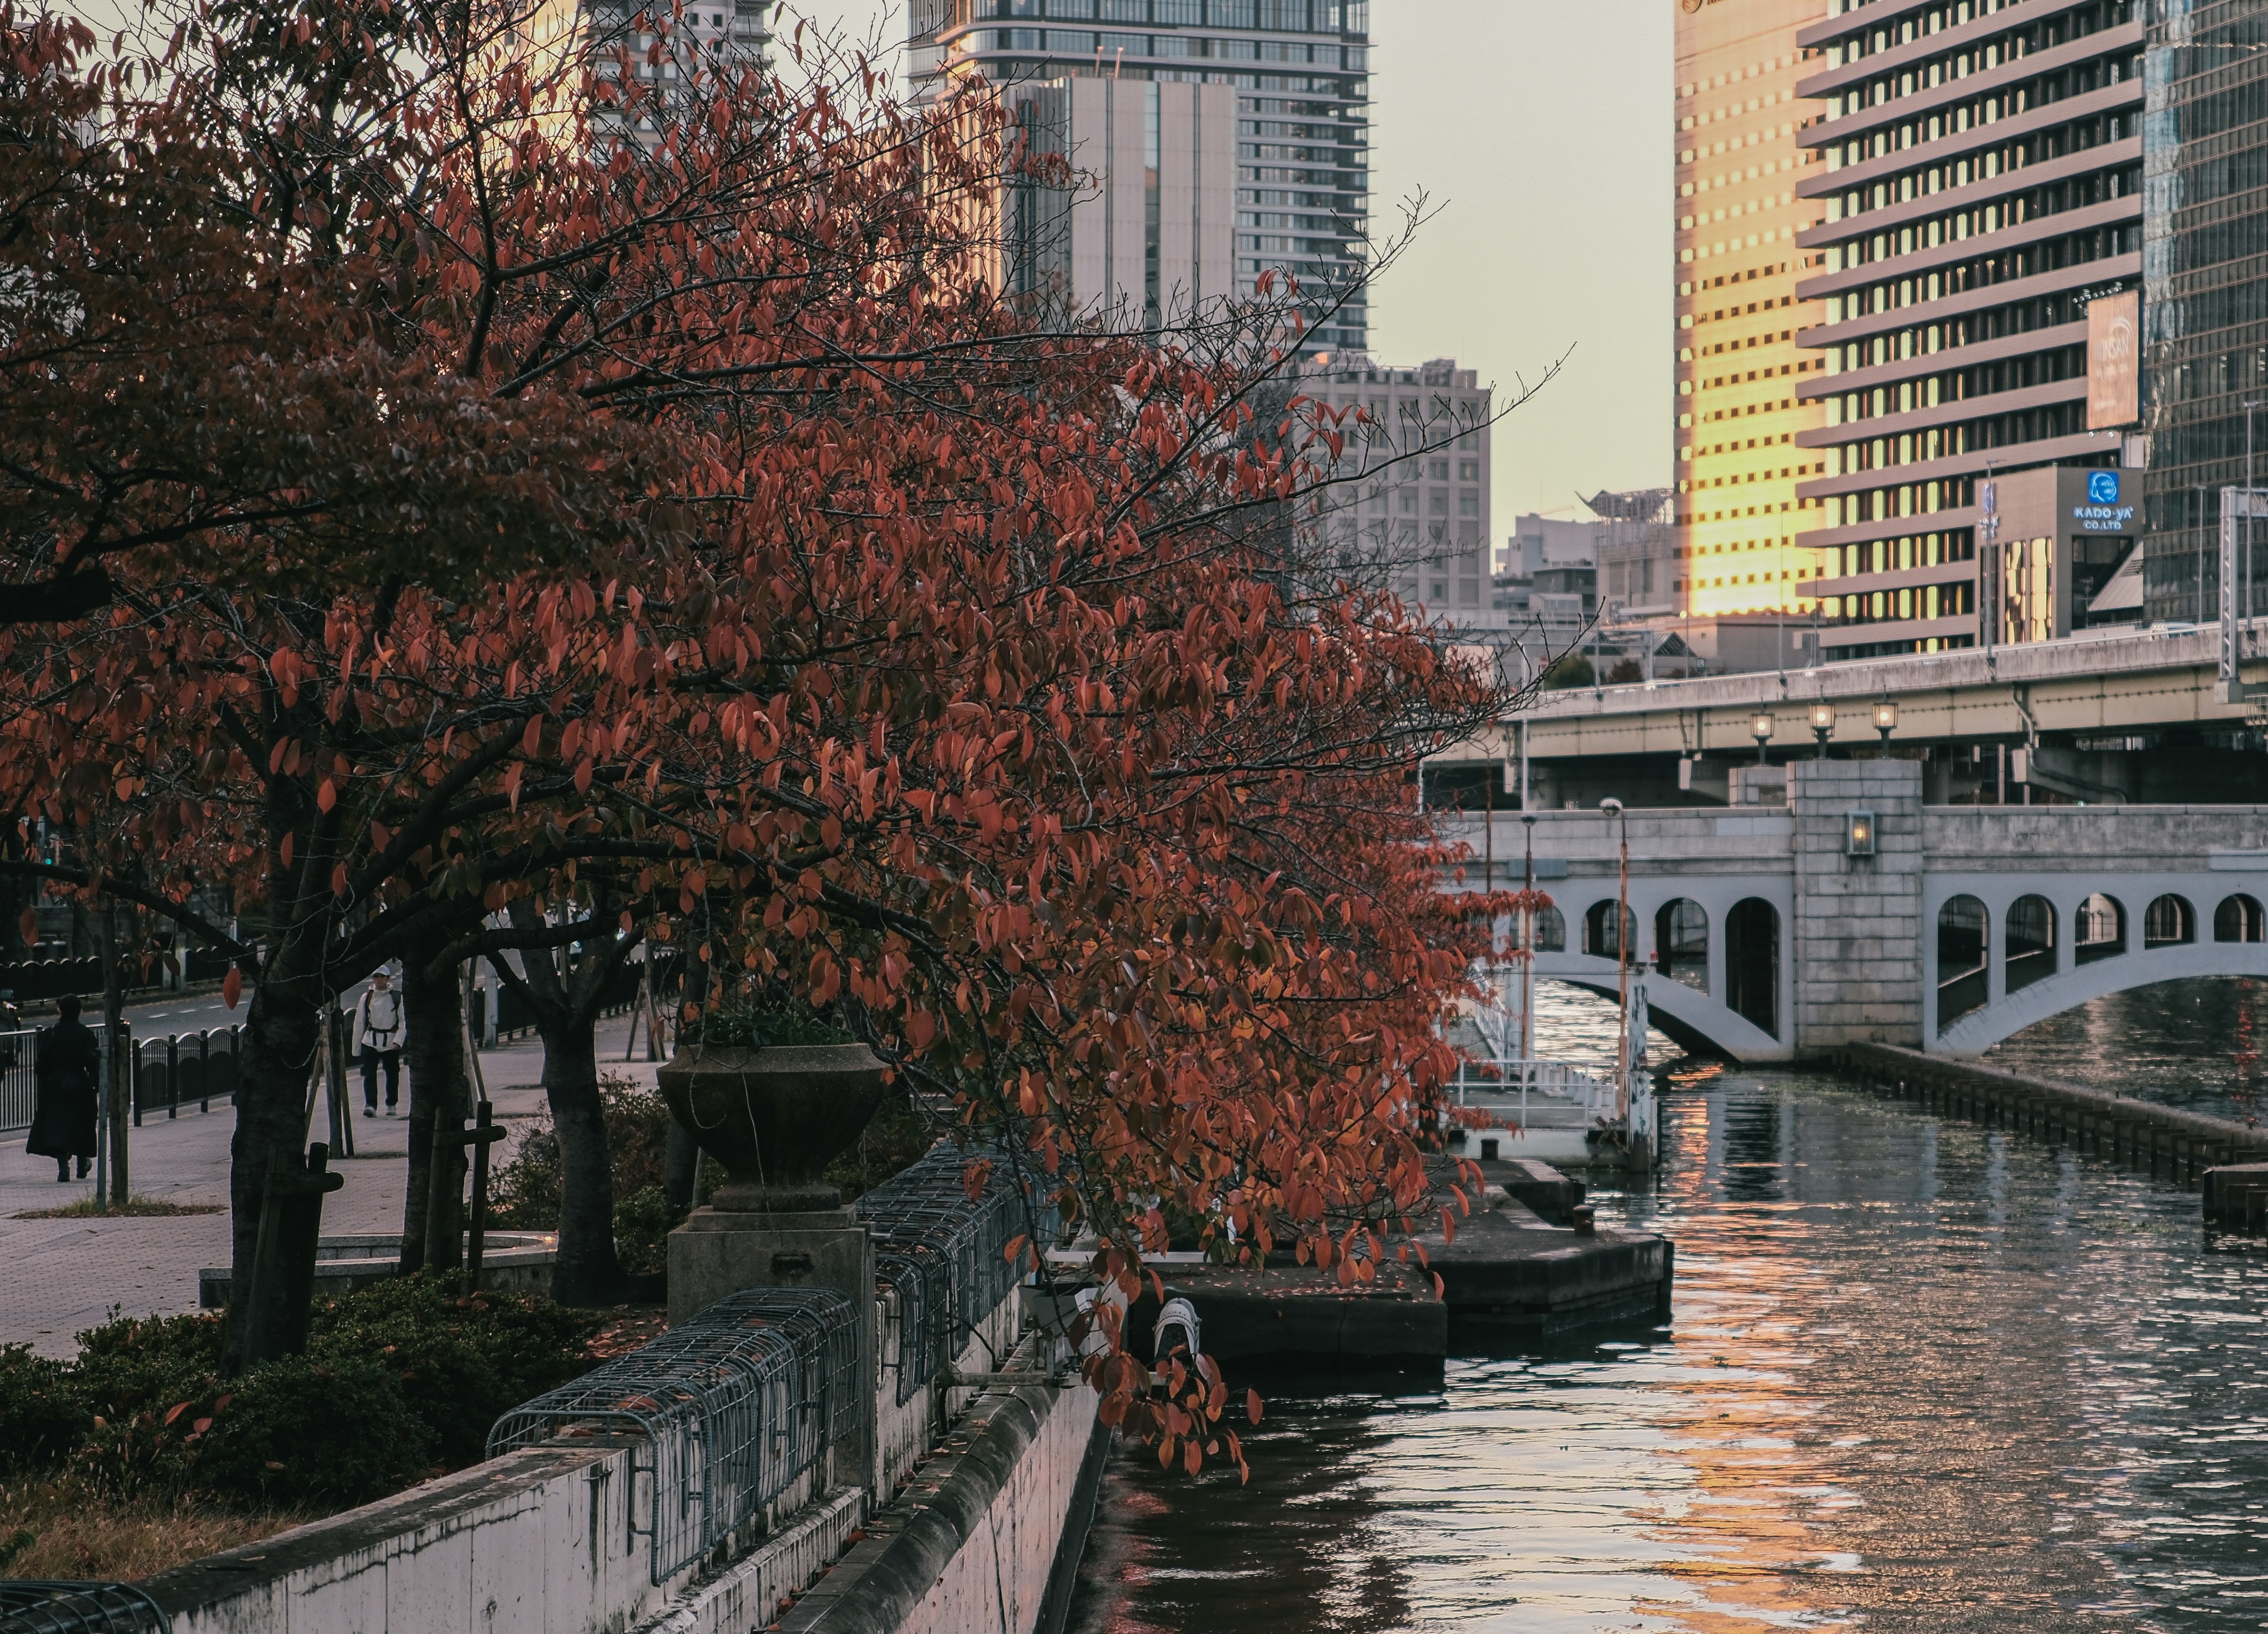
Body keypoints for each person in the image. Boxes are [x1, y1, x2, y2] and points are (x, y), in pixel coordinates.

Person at [25, 994, 100, 1182]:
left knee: (57, 1127)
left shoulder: (51, 1034)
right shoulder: (85, 1034)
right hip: (78, 1084)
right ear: (80, 1011)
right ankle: (82, 1162)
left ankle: (63, 1167)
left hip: (55, 1086)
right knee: (82, 1123)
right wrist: (95, 1084)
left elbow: (41, 1064)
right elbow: (91, 1061)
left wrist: (46, 1082)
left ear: (60, 1010)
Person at [357, 970, 404, 1116]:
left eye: (382, 977)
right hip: (370, 1040)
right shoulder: (366, 998)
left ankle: (391, 1104)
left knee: (392, 1073)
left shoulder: (396, 997)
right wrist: (357, 1048)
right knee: (369, 1073)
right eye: (376, 977)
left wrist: (399, 1040)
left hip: (390, 1040)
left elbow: (403, 1021)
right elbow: (360, 1022)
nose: (379, 980)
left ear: (387, 978)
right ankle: (370, 1105)